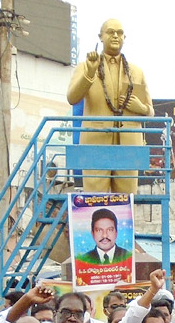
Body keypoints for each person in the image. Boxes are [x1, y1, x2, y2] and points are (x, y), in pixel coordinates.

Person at [65, 18, 153, 193]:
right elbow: (72, 97)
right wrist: (89, 74)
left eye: (119, 33)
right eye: (110, 32)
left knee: (127, 204)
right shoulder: (87, 66)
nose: (115, 36)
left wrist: (141, 108)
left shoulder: (137, 72)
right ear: (101, 37)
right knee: (95, 201)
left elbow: (151, 112)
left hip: (129, 147)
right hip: (95, 145)